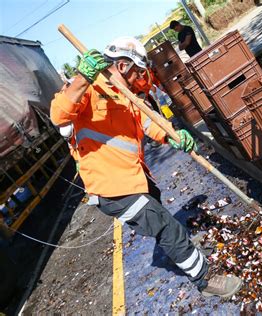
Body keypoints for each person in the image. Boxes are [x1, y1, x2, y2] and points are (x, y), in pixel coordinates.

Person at [50, 36, 242, 298]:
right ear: (122, 66)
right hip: (112, 188)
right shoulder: (90, 90)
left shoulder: (126, 97)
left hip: (133, 176)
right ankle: (204, 280)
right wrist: (82, 78)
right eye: (138, 71)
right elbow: (59, 115)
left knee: (157, 203)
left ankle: (181, 248)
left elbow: (149, 123)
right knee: (165, 225)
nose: (140, 77)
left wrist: (174, 137)